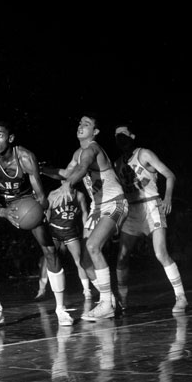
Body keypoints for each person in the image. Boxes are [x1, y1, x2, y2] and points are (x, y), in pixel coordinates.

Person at [0, 121, 73, 328]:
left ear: (10, 138)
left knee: (49, 249)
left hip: (26, 201)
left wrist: (39, 211)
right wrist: (4, 212)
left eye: (0, 135)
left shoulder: (26, 158)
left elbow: (42, 197)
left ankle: (61, 309)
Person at [44, 115, 128, 321]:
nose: (81, 126)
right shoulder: (78, 152)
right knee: (85, 262)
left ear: (95, 132)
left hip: (114, 202)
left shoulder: (93, 149)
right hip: (96, 207)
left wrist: (68, 185)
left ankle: (106, 304)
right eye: (80, 123)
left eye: (86, 124)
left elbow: (81, 170)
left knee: (92, 246)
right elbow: (67, 172)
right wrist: (42, 170)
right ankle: (110, 300)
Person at [112, 124, 187, 314]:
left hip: (151, 205)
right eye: (117, 135)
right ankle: (123, 301)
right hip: (132, 210)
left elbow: (169, 175)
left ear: (132, 136)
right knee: (121, 258)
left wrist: (167, 197)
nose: (120, 137)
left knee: (161, 253)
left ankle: (181, 297)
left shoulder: (144, 153)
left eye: (123, 133)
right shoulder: (117, 164)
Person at [35, 183, 92, 300]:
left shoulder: (79, 195)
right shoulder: (54, 194)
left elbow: (84, 212)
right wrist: (47, 230)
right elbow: (48, 211)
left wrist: (86, 229)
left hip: (70, 231)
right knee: (47, 258)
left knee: (79, 260)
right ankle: (41, 290)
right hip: (55, 230)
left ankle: (87, 290)